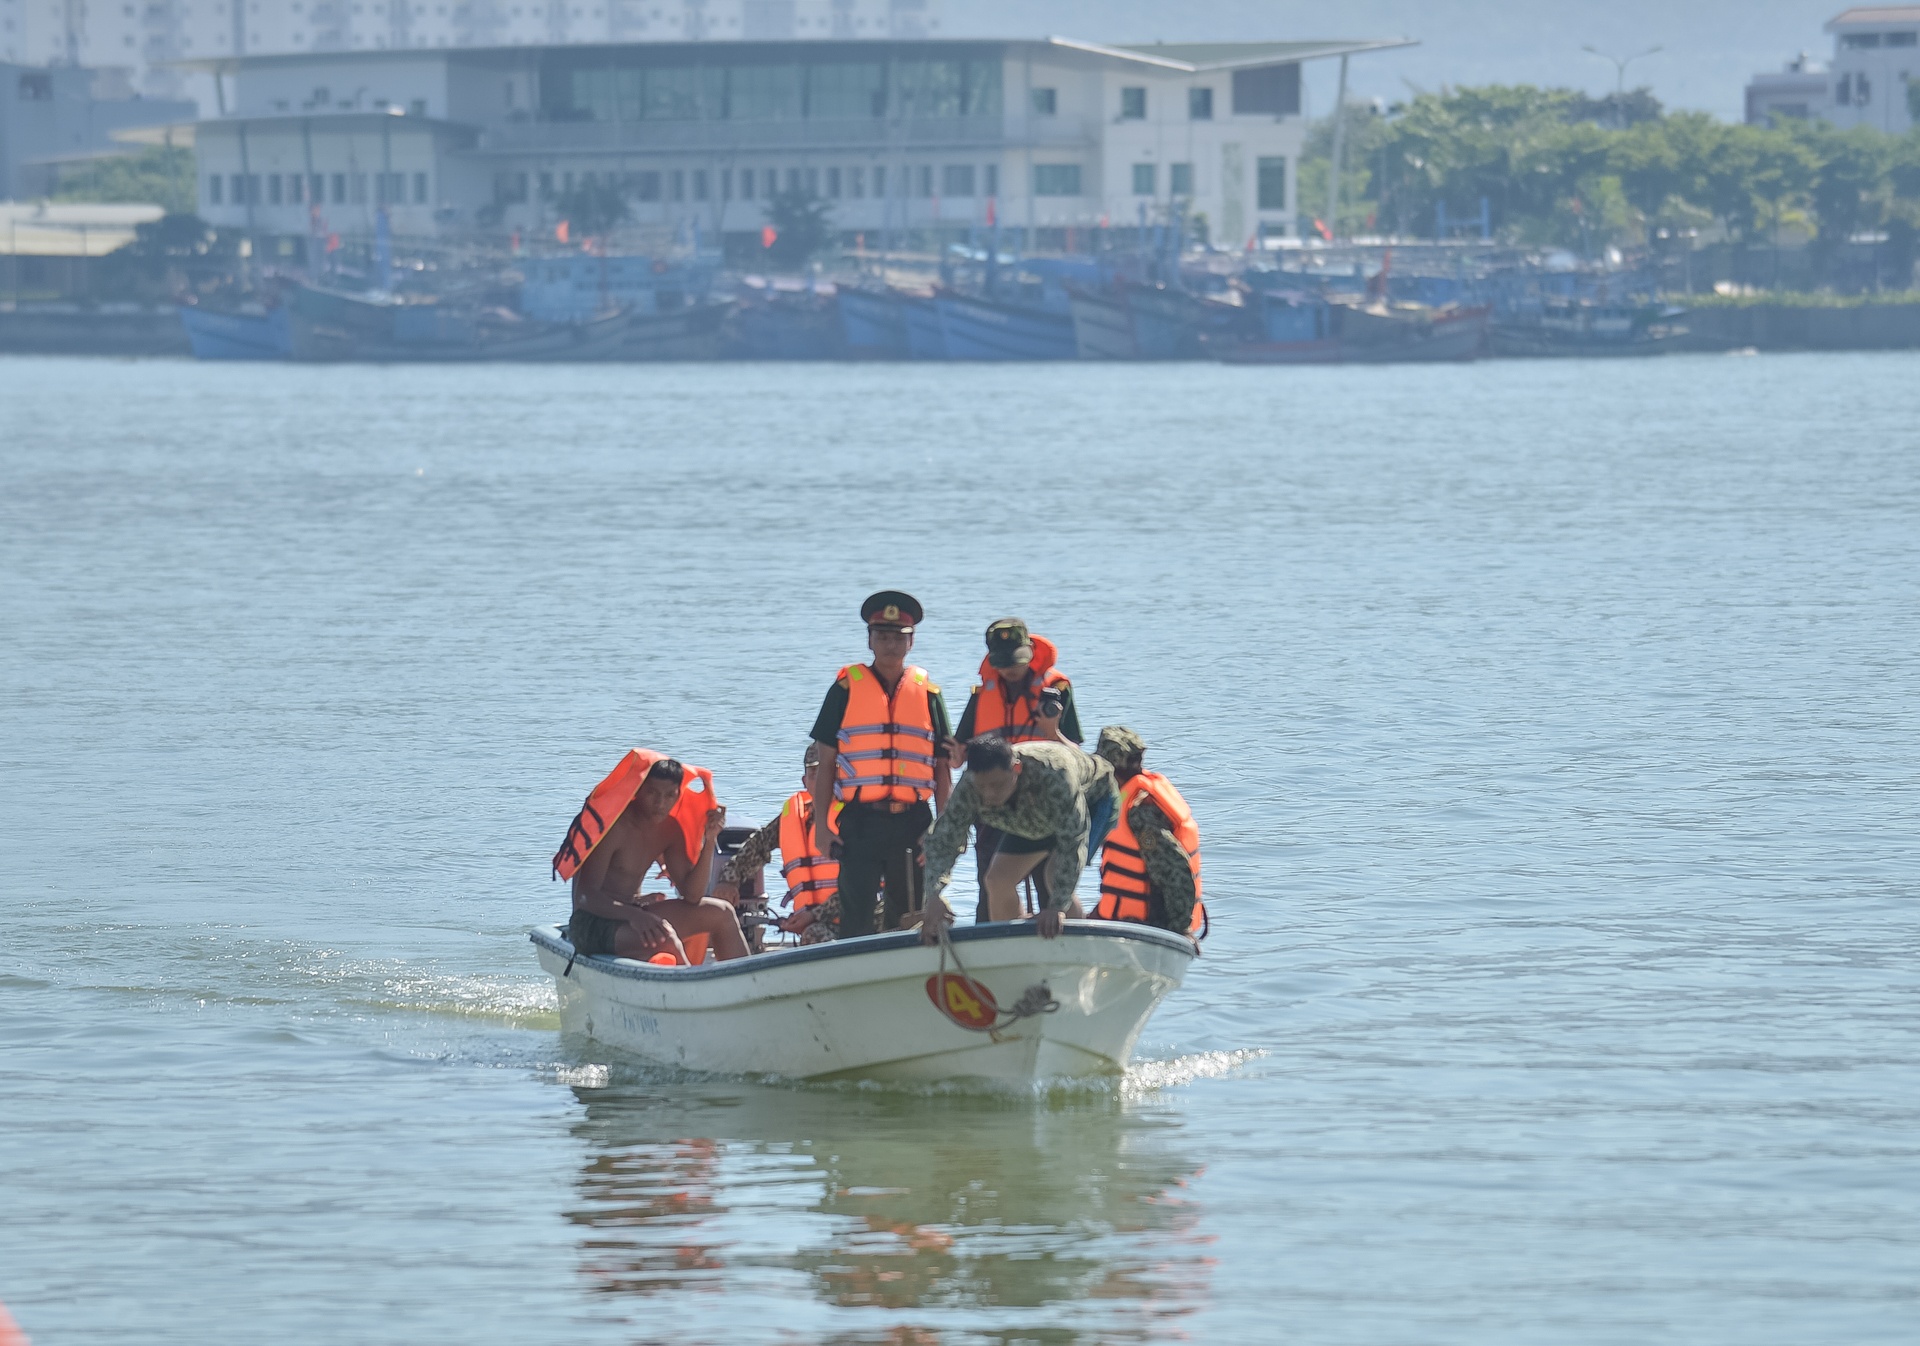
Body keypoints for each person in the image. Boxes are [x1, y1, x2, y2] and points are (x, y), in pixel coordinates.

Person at [809, 590, 954, 938]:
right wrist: (822, 825)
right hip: (860, 822)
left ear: (911, 642)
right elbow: (826, 762)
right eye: (883, 637)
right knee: (856, 917)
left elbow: (942, 768)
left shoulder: (929, 694)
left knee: (907, 916)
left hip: (913, 822)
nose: (891, 645)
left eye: (898, 638)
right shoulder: (844, 689)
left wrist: (943, 828)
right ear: (870, 640)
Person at [553, 750, 750, 964]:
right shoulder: (614, 827)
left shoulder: (670, 830)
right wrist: (634, 915)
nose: (660, 803)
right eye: (653, 793)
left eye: (669, 795)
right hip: (592, 923)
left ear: (678, 794)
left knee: (722, 912)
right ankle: (693, 993)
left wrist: (709, 840)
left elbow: (693, 895)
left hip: (634, 914)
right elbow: (585, 897)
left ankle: (752, 988)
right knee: (665, 939)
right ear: (638, 790)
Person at [919, 734, 1117, 943]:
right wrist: (933, 895)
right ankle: (1012, 952)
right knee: (996, 881)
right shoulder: (969, 787)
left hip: (1094, 801)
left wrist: (1057, 907)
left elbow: (1072, 844)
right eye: (982, 786)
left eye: (996, 785)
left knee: (1054, 873)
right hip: (1034, 817)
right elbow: (943, 841)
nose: (988, 795)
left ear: (1016, 769)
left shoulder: (1056, 775)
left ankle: (1080, 951)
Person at [952, 617, 1084, 923]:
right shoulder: (982, 692)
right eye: (1002, 662)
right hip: (994, 803)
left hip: (1043, 804)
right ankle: (992, 951)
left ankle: (1067, 945)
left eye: (1016, 661)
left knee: (1050, 884)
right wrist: (956, 756)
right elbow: (959, 750)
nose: (1010, 669)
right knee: (991, 886)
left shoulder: (1056, 690)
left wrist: (1052, 731)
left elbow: (1076, 756)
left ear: (1029, 653)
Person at [713, 743, 851, 944]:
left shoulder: (856, 818)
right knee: (813, 933)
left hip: (857, 917)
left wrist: (815, 915)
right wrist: (729, 879)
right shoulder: (795, 817)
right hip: (816, 923)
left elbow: (862, 884)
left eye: (829, 773)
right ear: (805, 781)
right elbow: (758, 845)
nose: (823, 782)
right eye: (815, 775)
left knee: (814, 934)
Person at [1090, 726, 1205, 938]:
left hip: (1146, 925)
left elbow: (1175, 870)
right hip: (1121, 920)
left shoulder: (1140, 811)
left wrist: (1179, 929)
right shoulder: (1126, 798)